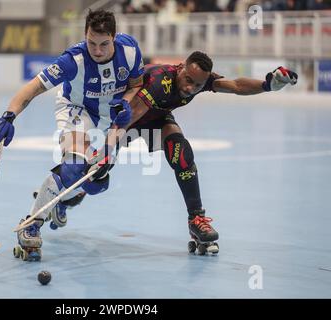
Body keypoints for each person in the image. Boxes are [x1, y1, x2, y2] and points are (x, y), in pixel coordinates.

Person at [0, 9, 144, 261]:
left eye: (104, 44)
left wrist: (126, 103)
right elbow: (33, 88)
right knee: (73, 167)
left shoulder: (129, 51)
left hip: (112, 114)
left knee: (97, 183)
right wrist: (9, 115)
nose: (97, 50)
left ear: (114, 38)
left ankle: (64, 200)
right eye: (91, 43)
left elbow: (136, 84)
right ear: (85, 35)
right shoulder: (72, 60)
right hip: (77, 107)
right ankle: (31, 223)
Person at [119, 51, 298, 254]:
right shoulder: (160, 81)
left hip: (155, 117)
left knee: (182, 153)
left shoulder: (200, 81)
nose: (190, 88)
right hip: (123, 116)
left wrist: (267, 86)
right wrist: (105, 150)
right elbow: (131, 115)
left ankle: (196, 218)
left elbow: (236, 86)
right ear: (180, 68)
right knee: (95, 174)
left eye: (197, 85)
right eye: (188, 80)